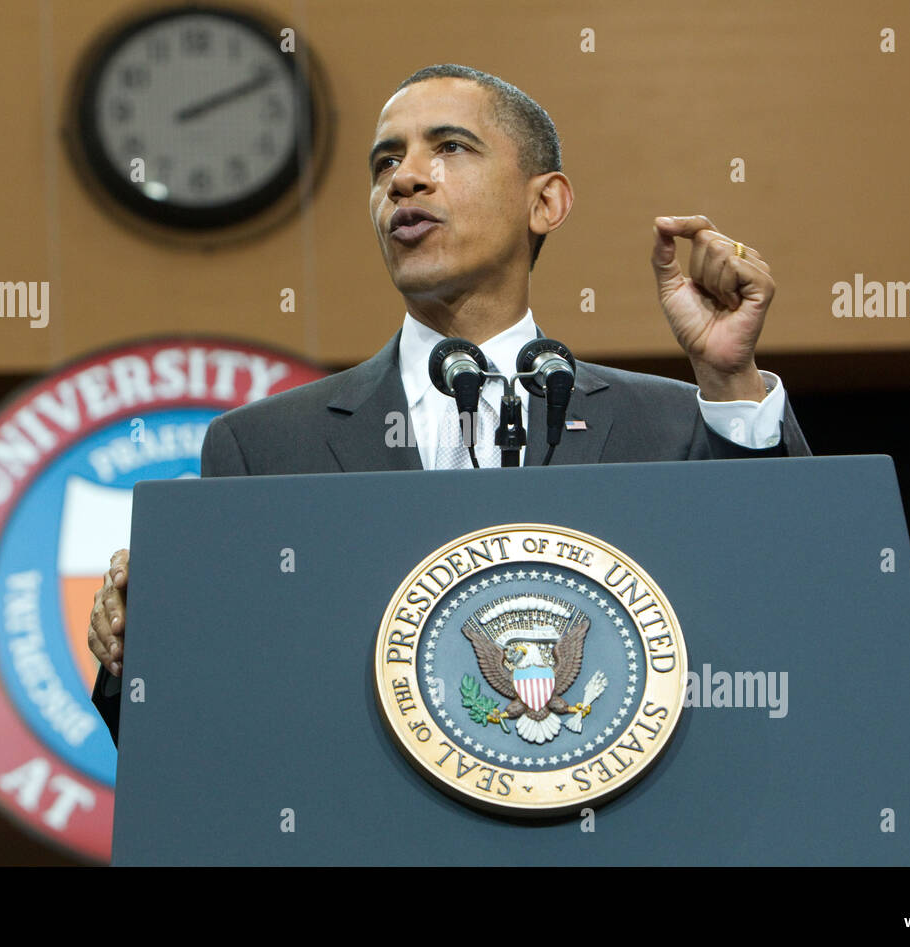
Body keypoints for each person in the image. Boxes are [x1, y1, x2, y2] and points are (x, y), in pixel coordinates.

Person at [88, 64, 811, 745]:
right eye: (384, 163)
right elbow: (196, 729)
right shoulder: (266, 449)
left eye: (450, 148)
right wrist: (141, 643)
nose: (404, 179)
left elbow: (794, 614)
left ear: (545, 201)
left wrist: (730, 381)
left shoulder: (674, 424)